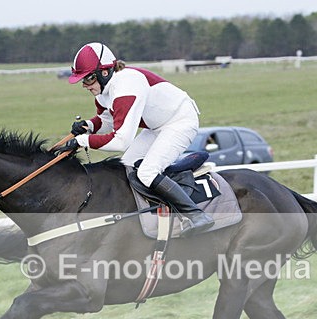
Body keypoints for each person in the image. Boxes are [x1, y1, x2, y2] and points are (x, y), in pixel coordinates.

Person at [58, 42, 213, 236]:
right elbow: (108, 119)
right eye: (83, 80)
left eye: (88, 78)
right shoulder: (104, 91)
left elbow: (122, 140)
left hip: (180, 121)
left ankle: (196, 215)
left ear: (104, 73)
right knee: (126, 166)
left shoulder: (126, 86)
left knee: (147, 173)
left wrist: (84, 141)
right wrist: (89, 126)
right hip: (157, 126)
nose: (85, 85)